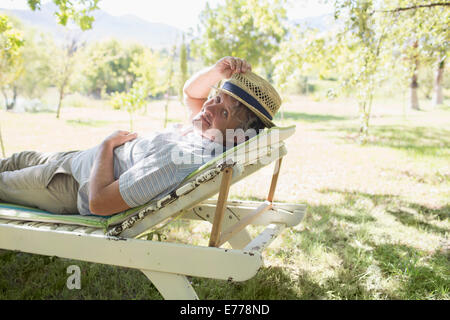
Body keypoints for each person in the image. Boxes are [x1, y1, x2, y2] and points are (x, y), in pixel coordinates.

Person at [0, 56, 282, 217]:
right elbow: (191, 93)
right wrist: (216, 72)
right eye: (217, 97)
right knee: (18, 159)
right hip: (74, 161)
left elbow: (99, 204)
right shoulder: (210, 137)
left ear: (238, 137)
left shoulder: (180, 160)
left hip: (70, 184)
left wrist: (106, 147)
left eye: (223, 112)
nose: (209, 106)